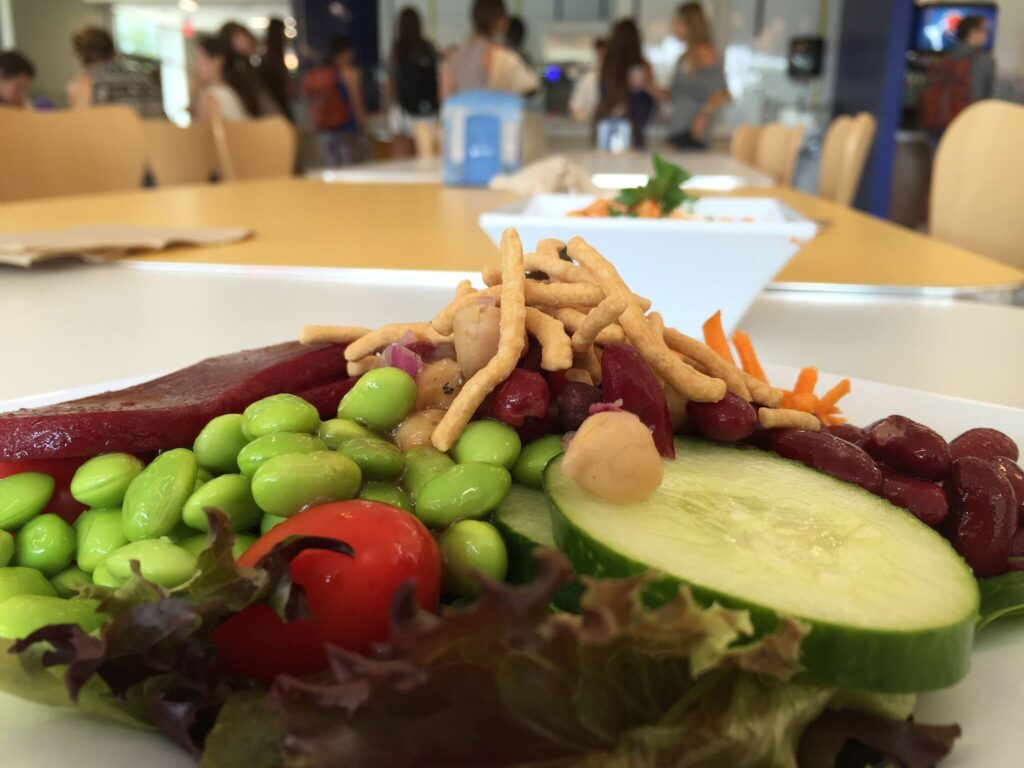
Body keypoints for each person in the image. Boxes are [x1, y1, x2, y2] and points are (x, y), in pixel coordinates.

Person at [441, 0, 539, 98]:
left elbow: (446, 97)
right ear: (501, 21)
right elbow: (531, 85)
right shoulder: (501, 56)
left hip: (462, 112)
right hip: (492, 112)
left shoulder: (454, 55)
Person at [665, 3, 730, 150]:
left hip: (693, 133)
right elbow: (673, 93)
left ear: (690, 25)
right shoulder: (684, 56)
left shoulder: (706, 54)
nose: (674, 25)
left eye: (678, 21)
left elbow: (722, 92)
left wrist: (703, 116)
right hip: (676, 130)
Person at [67, 27, 165, 118]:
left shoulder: (84, 84)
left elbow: (80, 126)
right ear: (114, 52)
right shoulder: (146, 79)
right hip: (154, 135)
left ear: (80, 57)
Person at [301, 36, 368, 166]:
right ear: (346, 52)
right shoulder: (349, 73)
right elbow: (357, 103)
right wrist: (363, 125)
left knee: (332, 170)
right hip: (348, 130)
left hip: (325, 132)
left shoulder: (321, 73)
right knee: (353, 170)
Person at [594, 19, 656, 149]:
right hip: (634, 131)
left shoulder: (607, 67)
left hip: (607, 132)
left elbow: (602, 95)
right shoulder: (643, 68)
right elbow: (650, 100)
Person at [388, 7, 439, 149]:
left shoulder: (398, 48)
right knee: (426, 155)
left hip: (404, 111)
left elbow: (392, 81)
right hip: (429, 112)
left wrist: (388, 107)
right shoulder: (429, 47)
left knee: (401, 160)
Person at [194, 35, 264, 122]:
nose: (197, 65)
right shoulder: (232, 90)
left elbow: (201, 133)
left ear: (218, 61)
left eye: (200, 58)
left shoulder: (211, 96)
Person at [951, 14, 995, 102]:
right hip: (971, 113)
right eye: (984, 30)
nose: (986, 35)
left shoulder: (945, 58)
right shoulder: (985, 61)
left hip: (942, 113)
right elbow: (988, 98)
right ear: (972, 32)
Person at [259, 18, 294, 120]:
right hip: (277, 111)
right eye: (283, 32)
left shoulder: (273, 58)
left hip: (279, 109)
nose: (285, 37)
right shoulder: (271, 61)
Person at [568, 38, 606, 123]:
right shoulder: (589, 78)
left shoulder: (620, 77)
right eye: (600, 52)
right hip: (592, 125)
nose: (602, 55)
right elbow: (575, 107)